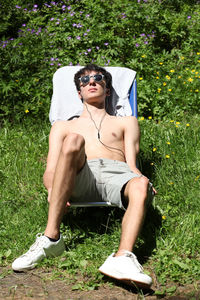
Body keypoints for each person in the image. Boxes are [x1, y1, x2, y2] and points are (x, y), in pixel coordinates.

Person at [12, 64, 154, 289]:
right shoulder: (62, 126)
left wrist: (142, 181)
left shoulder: (126, 122)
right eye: (85, 80)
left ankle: (123, 257)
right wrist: (53, 189)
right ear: (79, 92)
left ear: (107, 91)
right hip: (79, 173)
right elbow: (51, 170)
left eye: (98, 79)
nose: (92, 82)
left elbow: (131, 163)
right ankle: (51, 239)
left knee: (141, 183)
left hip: (116, 174)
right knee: (74, 140)